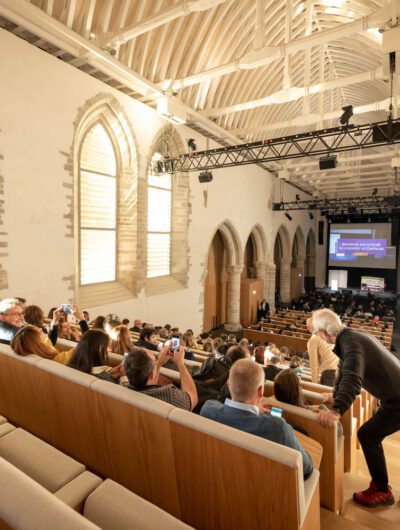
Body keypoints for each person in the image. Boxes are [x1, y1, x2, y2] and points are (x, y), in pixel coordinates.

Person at [313, 308, 400, 507]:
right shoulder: (349, 337)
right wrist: (335, 396)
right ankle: (381, 486)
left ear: (325, 332)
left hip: (397, 400)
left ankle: (381, 490)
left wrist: (336, 411)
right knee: (370, 435)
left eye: (317, 333)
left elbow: (353, 378)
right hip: (394, 397)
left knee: (368, 436)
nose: (317, 336)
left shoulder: (350, 342)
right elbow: (344, 370)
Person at [200, 359, 313, 479]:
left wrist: (253, 409)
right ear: (261, 391)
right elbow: (307, 468)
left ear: (228, 385)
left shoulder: (208, 409)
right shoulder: (278, 428)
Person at [124, 344, 198, 411]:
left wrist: (158, 363)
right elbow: (192, 398)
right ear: (152, 373)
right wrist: (180, 363)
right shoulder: (171, 396)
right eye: (155, 360)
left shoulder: (122, 387)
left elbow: (150, 383)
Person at [306, 317, 338, 386]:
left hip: (330, 373)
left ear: (308, 327)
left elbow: (314, 364)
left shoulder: (313, 340)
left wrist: (314, 385)